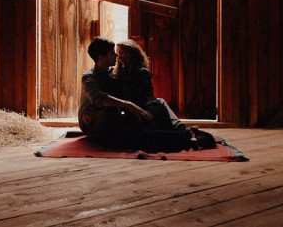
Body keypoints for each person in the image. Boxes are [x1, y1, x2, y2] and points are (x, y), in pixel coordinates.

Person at [78, 36, 215, 152]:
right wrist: (126, 105)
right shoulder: (89, 77)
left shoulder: (114, 75)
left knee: (138, 138)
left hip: (113, 119)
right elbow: (100, 99)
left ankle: (187, 137)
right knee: (129, 141)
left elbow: (126, 95)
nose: (116, 56)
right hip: (93, 123)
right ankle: (187, 136)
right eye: (112, 53)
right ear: (101, 57)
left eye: (120, 53)